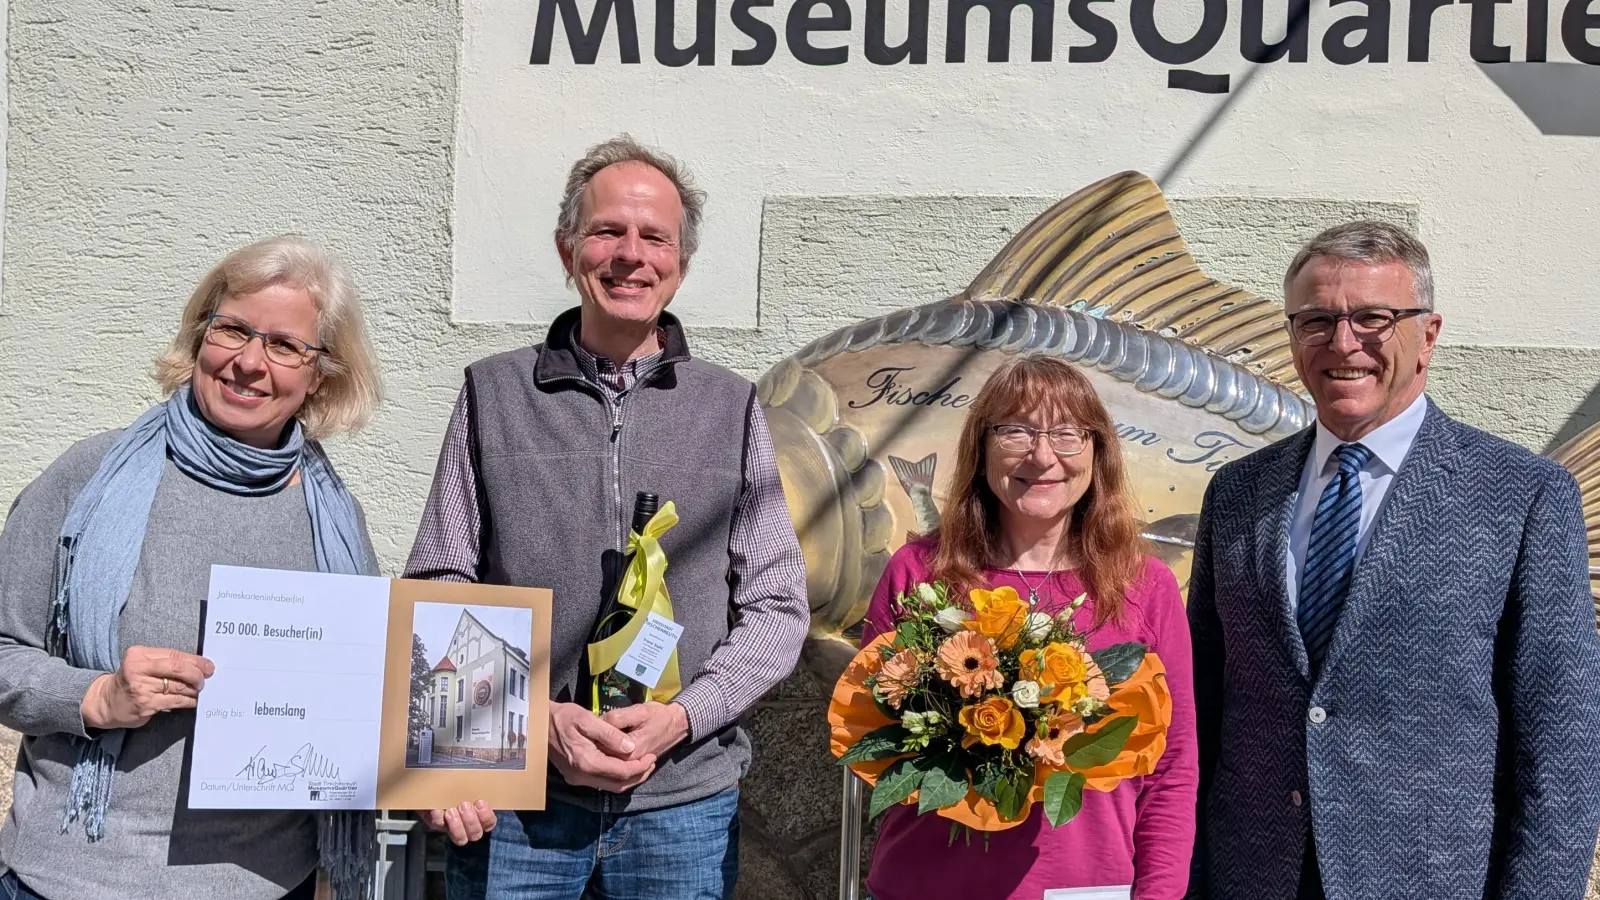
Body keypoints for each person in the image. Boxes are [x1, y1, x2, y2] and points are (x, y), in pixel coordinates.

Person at [404, 135, 810, 899]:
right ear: (568, 250)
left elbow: (776, 608)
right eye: (607, 232)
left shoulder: (732, 407)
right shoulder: (494, 395)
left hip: (681, 804)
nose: (631, 255)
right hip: (519, 803)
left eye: (654, 237)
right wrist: (535, 721)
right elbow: (442, 578)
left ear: (680, 264)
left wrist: (683, 718)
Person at [1185, 221, 1600, 900]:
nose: (1343, 343)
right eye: (1316, 320)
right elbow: (1202, 710)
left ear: (1428, 334)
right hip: (1250, 876)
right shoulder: (1239, 493)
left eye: (1373, 318)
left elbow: (1563, 747)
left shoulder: (1522, 495)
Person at [0, 235, 397, 899]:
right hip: (78, 877)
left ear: (319, 374)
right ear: (199, 335)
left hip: (270, 882)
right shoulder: (89, 478)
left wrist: (451, 777)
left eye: (283, 344)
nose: (248, 362)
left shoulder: (334, 520)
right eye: (233, 330)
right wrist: (97, 697)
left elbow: (360, 700)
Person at [860, 354, 1197, 900]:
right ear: (982, 446)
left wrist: (1159, 893)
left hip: (1086, 883)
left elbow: (1173, 769)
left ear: (1097, 451)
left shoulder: (1144, 585)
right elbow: (873, 735)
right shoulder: (921, 572)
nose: (1043, 455)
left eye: (1068, 433)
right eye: (1016, 430)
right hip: (928, 883)